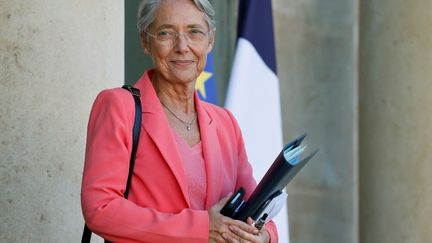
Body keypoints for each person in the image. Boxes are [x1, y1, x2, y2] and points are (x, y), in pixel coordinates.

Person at [81, 0, 278, 242]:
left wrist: (264, 237)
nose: (182, 46)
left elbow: (259, 209)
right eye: (166, 33)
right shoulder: (119, 106)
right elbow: (100, 209)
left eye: (194, 32)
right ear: (145, 41)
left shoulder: (225, 123)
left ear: (210, 40)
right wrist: (200, 228)